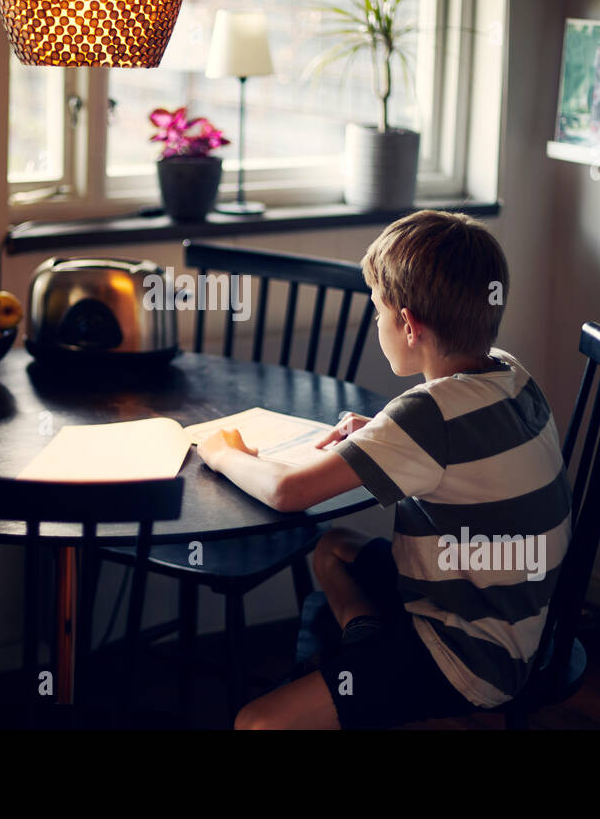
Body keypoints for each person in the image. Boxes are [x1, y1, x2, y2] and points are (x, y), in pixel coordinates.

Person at [195, 210, 572, 729]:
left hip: (469, 657)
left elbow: (287, 493)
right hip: (522, 621)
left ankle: (368, 656)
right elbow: (462, 448)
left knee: (256, 722)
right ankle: (365, 642)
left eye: (378, 310)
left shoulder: (426, 416)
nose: (377, 323)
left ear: (409, 324)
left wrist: (220, 452)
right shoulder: (510, 373)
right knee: (333, 547)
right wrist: (383, 434)